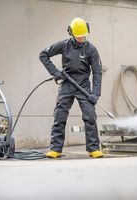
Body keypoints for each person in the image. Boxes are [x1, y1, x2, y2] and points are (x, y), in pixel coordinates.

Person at [39, 17, 103, 158]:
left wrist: (95, 93)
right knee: (59, 115)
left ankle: (93, 149)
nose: (82, 38)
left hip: (84, 86)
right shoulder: (64, 45)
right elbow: (43, 55)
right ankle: (55, 149)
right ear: (71, 33)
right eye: (79, 36)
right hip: (67, 83)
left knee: (90, 116)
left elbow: (97, 72)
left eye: (84, 36)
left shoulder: (91, 49)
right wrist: (55, 73)